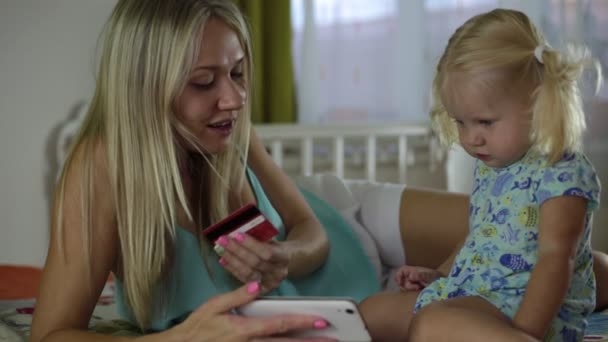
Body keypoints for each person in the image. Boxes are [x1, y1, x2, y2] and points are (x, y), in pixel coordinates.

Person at [30, 0, 380, 340]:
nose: (236, 99)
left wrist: (283, 257)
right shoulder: (102, 169)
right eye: (202, 81)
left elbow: (311, 231)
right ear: (144, 88)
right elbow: (50, 334)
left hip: (352, 228)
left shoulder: (235, 132)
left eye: (237, 73)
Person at [360, 8, 604, 342]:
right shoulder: (492, 164)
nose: (471, 138)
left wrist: (523, 332)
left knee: (431, 326)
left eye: (485, 122)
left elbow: (556, 260)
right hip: (477, 292)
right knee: (368, 314)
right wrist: (439, 274)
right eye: (461, 122)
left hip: (525, 307)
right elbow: (479, 237)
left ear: (537, 103)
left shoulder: (561, 174)